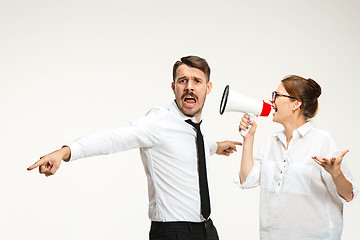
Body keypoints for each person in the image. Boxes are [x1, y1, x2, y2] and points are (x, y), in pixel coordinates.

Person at [27, 55, 242, 240]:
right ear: (173, 86)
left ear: (208, 88)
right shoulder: (159, 122)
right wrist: (65, 152)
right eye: (182, 80)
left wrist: (215, 146)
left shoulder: (194, 129)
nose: (189, 87)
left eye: (197, 81)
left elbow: (189, 146)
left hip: (207, 229)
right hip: (173, 232)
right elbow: (113, 138)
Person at [237, 75, 358, 240]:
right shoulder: (270, 142)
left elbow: (349, 195)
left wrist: (336, 174)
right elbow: (246, 180)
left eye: (277, 95)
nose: (272, 101)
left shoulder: (322, 140)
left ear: (296, 103)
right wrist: (248, 138)